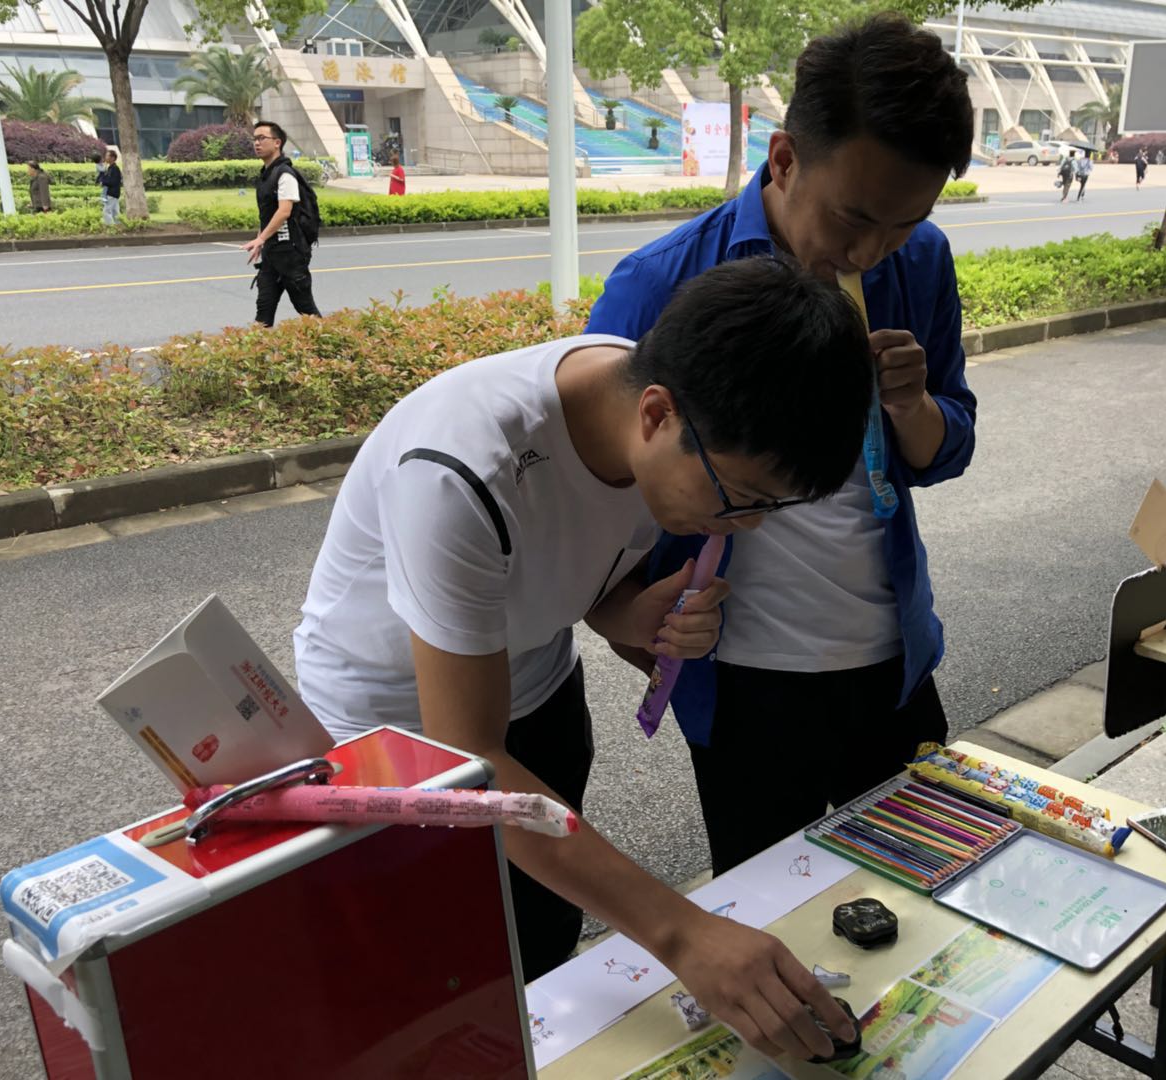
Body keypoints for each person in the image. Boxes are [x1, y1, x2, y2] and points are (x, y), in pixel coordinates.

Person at [293, 256, 875, 1061]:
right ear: (656, 414)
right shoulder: (460, 470)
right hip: (393, 734)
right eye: (741, 498)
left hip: (534, 686)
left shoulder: (653, 411)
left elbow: (575, 570)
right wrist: (683, 934)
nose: (746, 525)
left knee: (539, 940)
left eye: (769, 507)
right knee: (433, 980)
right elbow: (470, 762)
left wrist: (627, 614)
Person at [585, 13, 976, 880]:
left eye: (904, 224)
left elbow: (947, 445)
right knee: (772, 917)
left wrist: (911, 406)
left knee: (931, 900)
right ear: (786, 159)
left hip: (893, 665)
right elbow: (595, 493)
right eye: (853, 218)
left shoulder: (919, 262)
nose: (869, 252)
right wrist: (627, 620)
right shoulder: (660, 282)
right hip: (742, 684)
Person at [244, 120, 321, 326]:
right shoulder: (266, 175)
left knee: (307, 310)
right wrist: (260, 240)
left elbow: (284, 211)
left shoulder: (285, 174)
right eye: (255, 139)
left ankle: (334, 342)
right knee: (263, 312)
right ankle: (257, 346)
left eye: (262, 138)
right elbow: (268, 214)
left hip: (291, 256)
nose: (257, 143)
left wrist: (261, 238)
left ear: (277, 142)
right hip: (271, 256)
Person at [98, 149, 122, 225]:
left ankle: (109, 225)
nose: (105, 157)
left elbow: (113, 181)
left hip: (112, 193)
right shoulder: (110, 168)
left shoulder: (115, 169)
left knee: (106, 211)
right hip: (113, 193)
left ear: (112, 158)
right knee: (115, 211)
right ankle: (118, 225)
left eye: (107, 156)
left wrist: (103, 182)